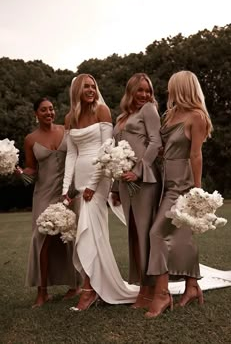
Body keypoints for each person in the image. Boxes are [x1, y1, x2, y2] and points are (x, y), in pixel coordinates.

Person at [62, 74, 139, 311]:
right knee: (90, 233)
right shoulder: (69, 118)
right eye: (86, 86)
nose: (91, 89)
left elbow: (107, 150)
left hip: (98, 178)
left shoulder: (102, 111)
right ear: (76, 90)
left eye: (93, 85)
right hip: (79, 180)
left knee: (90, 229)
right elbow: (71, 155)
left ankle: (89, 289)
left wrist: (93, 185)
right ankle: (94, 285)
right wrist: (66, 189)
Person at [145, 70, 213, 318]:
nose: (168, 91)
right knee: (183, 236)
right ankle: (192, 286)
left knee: (157, 233)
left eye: (172, 87)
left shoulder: (197, 117)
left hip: (183, 183)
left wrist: (196, 190)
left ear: (182, 88)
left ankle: (162, 294)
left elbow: (196, 154)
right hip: (165, 180)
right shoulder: (171, 114)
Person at [16, 97, 78, 308]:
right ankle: (42, 292)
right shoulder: (30, 139)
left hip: (67, 193)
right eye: (44, 110)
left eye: (51, 109)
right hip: (43, 193)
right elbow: (31, 170)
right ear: (36, 114)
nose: (49, 113)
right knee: (41, 239)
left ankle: (74, 285)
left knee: (69, 237)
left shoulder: (66, 130)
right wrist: (20, 172)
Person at [111, 73, 163, 309]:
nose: (144, 95)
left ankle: (149, 291)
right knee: (133, 235)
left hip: (144, 181)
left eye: (148, 90)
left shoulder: (149, 110)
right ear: (130, 91)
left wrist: (138, 171)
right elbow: (115, 154)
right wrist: (114, 186)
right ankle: (142, 286)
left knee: (144, 234)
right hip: (124, 183)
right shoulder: (122, 117)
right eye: (140, 90)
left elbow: (155, 143)